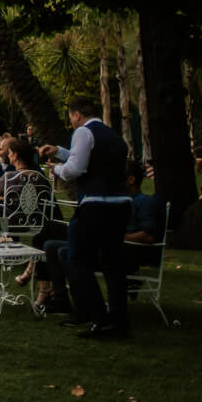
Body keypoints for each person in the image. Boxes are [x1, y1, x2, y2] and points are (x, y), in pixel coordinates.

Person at [41, 99, 132, 340]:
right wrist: (60, 152)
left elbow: (75, 169)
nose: (71, 123)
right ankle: (118, 321)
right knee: (113, 265)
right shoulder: (113, 137)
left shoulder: (83, 131)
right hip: (121, 203)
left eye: (71, 117)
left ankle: (99, 318)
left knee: (78, 260)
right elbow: (89, 158)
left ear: (78, 114)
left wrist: (56, 169)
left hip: (95, 204)